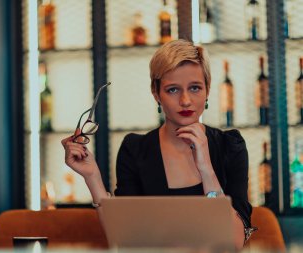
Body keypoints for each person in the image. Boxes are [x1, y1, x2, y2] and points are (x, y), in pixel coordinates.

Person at [61, 39, 254, 249]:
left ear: (207, 90)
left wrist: (206, 167)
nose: (186, 100)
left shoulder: (230, 146)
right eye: (173, 90)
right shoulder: (135, 149)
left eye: (195, 87)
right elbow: (125, 239)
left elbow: (234, 243)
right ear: (156, 94)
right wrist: (92, 176)